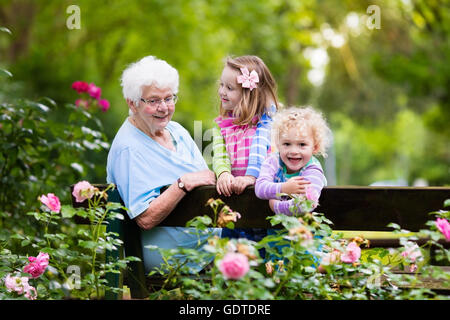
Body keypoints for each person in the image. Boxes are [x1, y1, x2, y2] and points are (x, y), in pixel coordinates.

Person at [106, 56, 219, 274]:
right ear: (132, 102)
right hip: (166, 256)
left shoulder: (177, 131)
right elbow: (145, 218)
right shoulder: (129, 148)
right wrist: (182, 183)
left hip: (205, 247)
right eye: (154, 100)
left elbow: (207, 177)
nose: (164, 107)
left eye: (169, 98)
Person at [212, 55, 279, 241]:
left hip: (262, 199)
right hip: (235, 197)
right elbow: (220, 154)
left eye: (230, 88)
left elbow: (260, 145)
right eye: (221, 85)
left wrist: (251, 176)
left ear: (249, 93)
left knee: (264, 246)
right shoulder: (222, 125)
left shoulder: (266, 121)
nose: (222, 92)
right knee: (231, 246)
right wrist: (223, 173)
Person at [255, 106, 332, 215]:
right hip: (274, 229)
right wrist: (284, 188)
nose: (294, 151)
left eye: (302, 144)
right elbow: (260, 188)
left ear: (315, 147)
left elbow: (306, 204)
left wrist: (277, 206)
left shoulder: (313, 170)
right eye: (287, 144)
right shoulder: (273, 161)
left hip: (305, 229)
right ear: (278, 144)